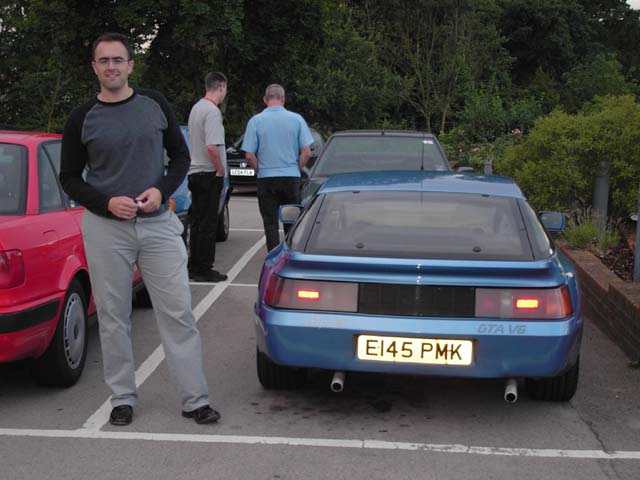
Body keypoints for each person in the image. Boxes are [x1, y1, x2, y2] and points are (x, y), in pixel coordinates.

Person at [59, 33, 220, 426]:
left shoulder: (154, 104)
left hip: (158, 225)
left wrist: (161, 190)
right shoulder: (81, 118)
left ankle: (195, 399)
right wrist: (105, 202)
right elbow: (69, 178)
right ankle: (122, 398)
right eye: (103, 60)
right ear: (94, 68)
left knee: (178, 312)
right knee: (113, 316)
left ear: (131, 65)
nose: (111, 66)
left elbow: (180, 157)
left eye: (118, 59)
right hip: (106, 228)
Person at [241, 84, 314, 251]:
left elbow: (249, 155)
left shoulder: (255, 121)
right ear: (283, 99)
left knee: (270, 223)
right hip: (290, 177)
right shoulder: (297, 119)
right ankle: (291, 254)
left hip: (266, 178)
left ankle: (273, 256)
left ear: (265, 99)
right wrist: (296, 168)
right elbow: (307, 152)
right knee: (292, 222)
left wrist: (259, 169)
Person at [186, 72, 228, 282]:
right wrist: (219, 170)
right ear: (221, 86)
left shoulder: (197, 108)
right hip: (208, 172)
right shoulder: (212, 112)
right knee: (209, 222)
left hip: (195, 171)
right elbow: (212, 146)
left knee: (197, 222)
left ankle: (193, 265)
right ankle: (204, 268)